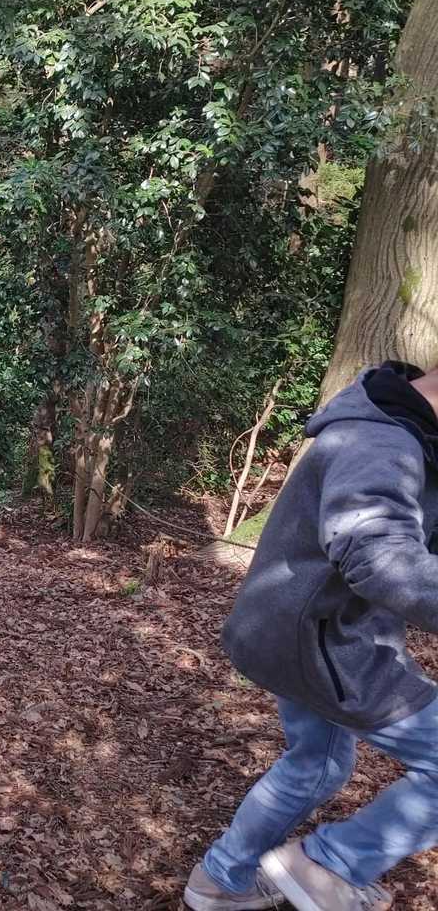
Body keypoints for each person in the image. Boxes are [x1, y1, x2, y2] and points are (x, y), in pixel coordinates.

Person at [184, 362, 438, 911]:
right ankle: (328, 867)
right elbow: (378, 556)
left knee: (317, 764)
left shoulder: (408, 433)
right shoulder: (381, 440)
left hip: (296, 630)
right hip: (323, 642)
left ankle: (220, 880)